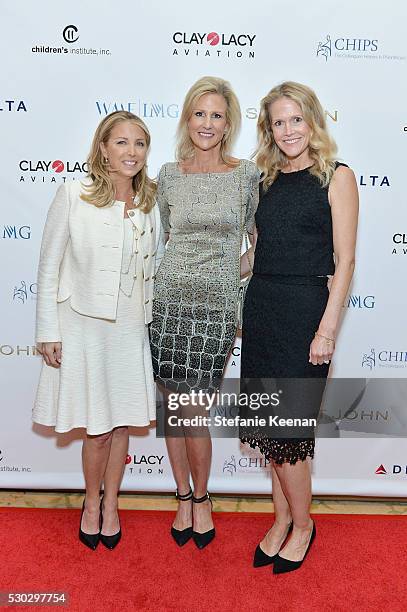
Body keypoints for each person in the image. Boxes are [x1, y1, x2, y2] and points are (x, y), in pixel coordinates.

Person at [240, 81, 358, 573]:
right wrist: (206, 270)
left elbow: (346, 261)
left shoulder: (337, 176)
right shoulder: (264, 179)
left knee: (289, 432)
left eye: (296, 119)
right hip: (263, 308)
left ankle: (304, 526)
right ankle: (282, 517)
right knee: (270, 429)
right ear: (269, 129)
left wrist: (327, 330)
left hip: (307, 312)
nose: (288, 130)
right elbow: (257, 253)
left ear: (313, 120)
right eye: (278, 122)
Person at [33, 111, 164, 550]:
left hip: (130, 326)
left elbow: (157, 265)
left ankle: (113, 503)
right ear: (103, 148)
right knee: (97, 427)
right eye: (122, 143)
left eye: (140, 144)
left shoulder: (151, 202)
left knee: (123, 422)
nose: (131, 152)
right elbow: (49, 264)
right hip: (83, 324)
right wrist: (47, 329)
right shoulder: (74, 193)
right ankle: (92, 502)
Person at [150, 76, 259, 549]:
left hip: (215, 308)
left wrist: (232, 280)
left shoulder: (246, 174)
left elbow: (259, 241)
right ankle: (181, 495)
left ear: (229, 123)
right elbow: (162, 238)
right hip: (169, 302)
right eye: (200, 113)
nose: (207, 124)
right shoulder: (169, 175)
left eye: (217, 115)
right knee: (172, 408)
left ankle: (204, 498)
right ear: (187, 119)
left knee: (195, 411)